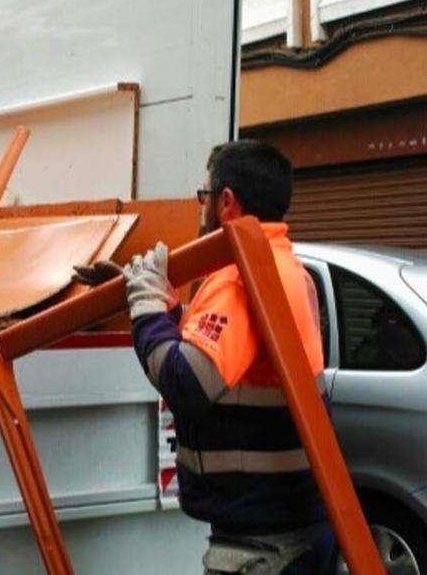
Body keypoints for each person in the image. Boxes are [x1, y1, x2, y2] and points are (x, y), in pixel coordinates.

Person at [76, 140, 335, 575]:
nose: (200, 208)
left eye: (203, 196)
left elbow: (188, 384)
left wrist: (145, 309)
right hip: (290, 523)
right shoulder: (286, 269)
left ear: (226, 202)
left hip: (263, 542)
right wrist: (162, 307)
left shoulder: (238, 277)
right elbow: (233, 356)